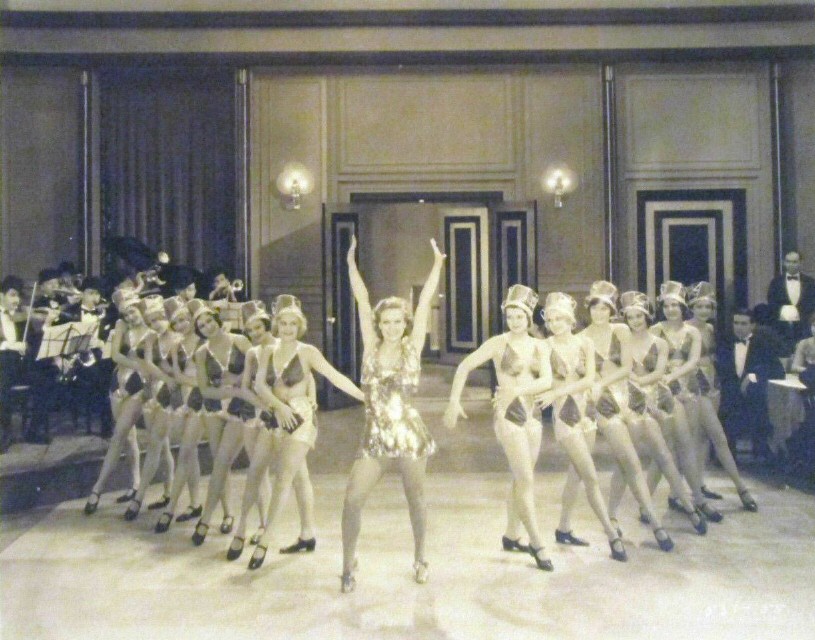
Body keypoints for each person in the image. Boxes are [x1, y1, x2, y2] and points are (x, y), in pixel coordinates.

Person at [339, 235, 444, 592]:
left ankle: (421, 557)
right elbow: (361, 298)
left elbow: (427, 298)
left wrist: (438, 265)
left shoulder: (414, 347)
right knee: (352, 500)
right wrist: (351, 263)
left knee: (416, 498)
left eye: (399, 322)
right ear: (379, 324)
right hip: (375, 435)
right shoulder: (370, 346)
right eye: (386, 322)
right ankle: (348, 563)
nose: (392, 327)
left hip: (409, 434)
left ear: (406, 323)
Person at [244, 294, 365, 570]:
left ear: (300, 326)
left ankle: (266, 539)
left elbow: (334, 376)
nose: (287, 328)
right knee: (299, 477)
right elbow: (260, 386)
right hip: (277, 416)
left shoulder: (308, 352)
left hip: (300, 418)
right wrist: (277, 407)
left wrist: (363, 395)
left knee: (283, 478)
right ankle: (308, 533)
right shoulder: (267, 351)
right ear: (276, 324)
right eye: (283, 323)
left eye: (292, 324)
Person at [445, 284, 555, 571]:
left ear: (529, 317)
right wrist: (454, 402)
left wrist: (518, 390)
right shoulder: (497, 343)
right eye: (510, 316)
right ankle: (537, 543)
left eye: (520, 316)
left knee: (522, 479)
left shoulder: (540, 345)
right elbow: (464, 366)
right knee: (526, 481)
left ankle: (510, 534)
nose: (514, 321)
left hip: (532, 415)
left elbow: (547, 381)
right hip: (507, 417)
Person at [577, 281, 674, 550]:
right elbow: (586, 375)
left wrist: (603, 381)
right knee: (630, 461)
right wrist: (596, 385)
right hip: (606, 404)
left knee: (627, 463)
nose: (600, 314)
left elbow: (628, 366)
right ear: (589, 310)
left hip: (629, 398)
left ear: (611, 311)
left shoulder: (621, 330)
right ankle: (656, 524)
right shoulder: (582, 337)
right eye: (595, 309)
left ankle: (611, 513)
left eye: (605, 309)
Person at [607, 291, 707, 535]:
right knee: (626, 458)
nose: (634, 321)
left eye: (639, 316)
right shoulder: (621, 341)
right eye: (630, 317)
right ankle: (611, 513)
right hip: (632, 401)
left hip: (659, 398)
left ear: (647, 315)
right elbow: (617, 368)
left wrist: (642, 382)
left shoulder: (659, 343)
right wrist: (633, 383)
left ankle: (691, 504)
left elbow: (660, 372)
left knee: (666, 453)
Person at [647, 281, 723, 523]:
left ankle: (693, 498)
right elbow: (647, 360)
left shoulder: (693, 332)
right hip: (663, 393)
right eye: (667, 306)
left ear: (683, 308)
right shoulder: (655, 331)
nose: (671, 310)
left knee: (687, 445)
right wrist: (662, 379)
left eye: (675, 305)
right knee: (665, 448)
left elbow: (692, 362)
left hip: (688, 391)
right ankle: (647, 501)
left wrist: (674, 376)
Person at [189, 304, 258, 544]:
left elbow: (257, 370)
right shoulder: (200, 353)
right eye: (201, 325)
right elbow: (205, 390)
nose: (207, 327)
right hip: (215, 408)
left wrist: (238, 381)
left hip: (240, 409)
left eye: (209, 321)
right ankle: (226, 514)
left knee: (222, 461)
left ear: (217, 319)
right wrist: (230, 389)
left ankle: (206, 520)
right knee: (220, 463)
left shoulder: (239, 340)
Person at [685, 282, 758, 511]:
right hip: (694, 385)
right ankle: (741, 488)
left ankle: (698, 485)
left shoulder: (710, 329)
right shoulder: (685, 329)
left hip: (713, 385)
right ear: (691, 307)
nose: (704, 311)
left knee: (703, 438)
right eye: (699, 306)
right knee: (719, 436)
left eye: (708, 307)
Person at [84, 289, 152, 514]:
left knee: (118, 434)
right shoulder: (121, 327)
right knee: (127, 436)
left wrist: (142, 368)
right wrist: (140, 364)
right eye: (125, 314)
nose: (130, 317)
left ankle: (97, 489)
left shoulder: (152, 333)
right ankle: (135, 483)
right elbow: (116, 356)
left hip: (137, 386)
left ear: (141, 308)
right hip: (117, 382)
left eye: (133, 312)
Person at [123, 295, 180, 521]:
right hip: (151, 392)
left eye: (160, 318)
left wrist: (163, 375)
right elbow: (146, 364)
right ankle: (168, 491)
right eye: (152, 319)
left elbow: (175, 371)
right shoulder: (149, 339)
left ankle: (139, 497)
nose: (156, 323)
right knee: (162, 445)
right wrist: (157, 377)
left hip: (170, 394)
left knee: (155, 443)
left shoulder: (178, 339)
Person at [154, 298, 207, 533]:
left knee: (186, 450)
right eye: (176, 322)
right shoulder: (176, 347)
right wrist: (176, 379)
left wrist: (190, 381)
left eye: (184, 319)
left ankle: (171, 508)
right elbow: (167, 368)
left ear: (192, 320)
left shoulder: (205, 342)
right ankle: (196, 503)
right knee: (188, 453)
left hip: (202, 400)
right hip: (182, 399)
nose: (181, 325)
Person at [717, 307, 785, 463]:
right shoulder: (725, 342)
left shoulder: (763, 343)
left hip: (754, 394)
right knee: (726, 405)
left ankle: (760, 452)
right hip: (729, 392)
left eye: (743, 323)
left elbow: (778, 371)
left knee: (759, 405)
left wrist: (754, 375)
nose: (739, 327)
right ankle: (727, 455)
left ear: (752, 325)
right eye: (736, 323)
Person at [767, 250, 815, 352]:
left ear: (801, 263)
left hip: (804, 329)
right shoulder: (776, 283)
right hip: (781, 330)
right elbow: (771, 305)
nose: (791, 265)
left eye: (794, 262)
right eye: (788, 261)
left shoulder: (810, 283)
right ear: (784, 262)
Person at [0, 275, 27, 453]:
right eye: (12, 295)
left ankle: (35, 429)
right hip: (5, 364)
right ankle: (4, 431)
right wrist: (13, 345)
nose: (16, 300)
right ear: (1, 295)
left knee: (45, 375)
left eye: (18, 296)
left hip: (16, 365)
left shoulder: (19, 316)